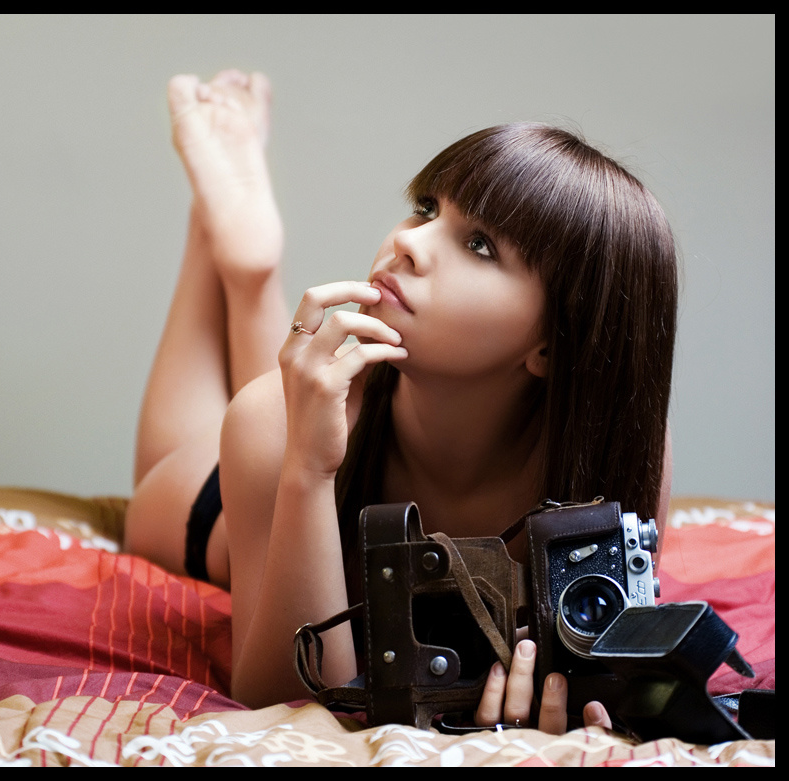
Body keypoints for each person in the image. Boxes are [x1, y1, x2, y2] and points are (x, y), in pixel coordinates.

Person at [124, 69, 677, 735]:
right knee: (181, 476)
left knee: (285, 406)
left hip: (308, 437)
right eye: (425, 208)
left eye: (479, 245)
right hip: (250, 492)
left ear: (553, 345)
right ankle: (234, 253)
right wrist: (308, 469)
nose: (408, 242)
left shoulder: (612, 448)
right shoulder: (268, 422)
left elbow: (601, 666)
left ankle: (243, 261)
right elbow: (282, 701)